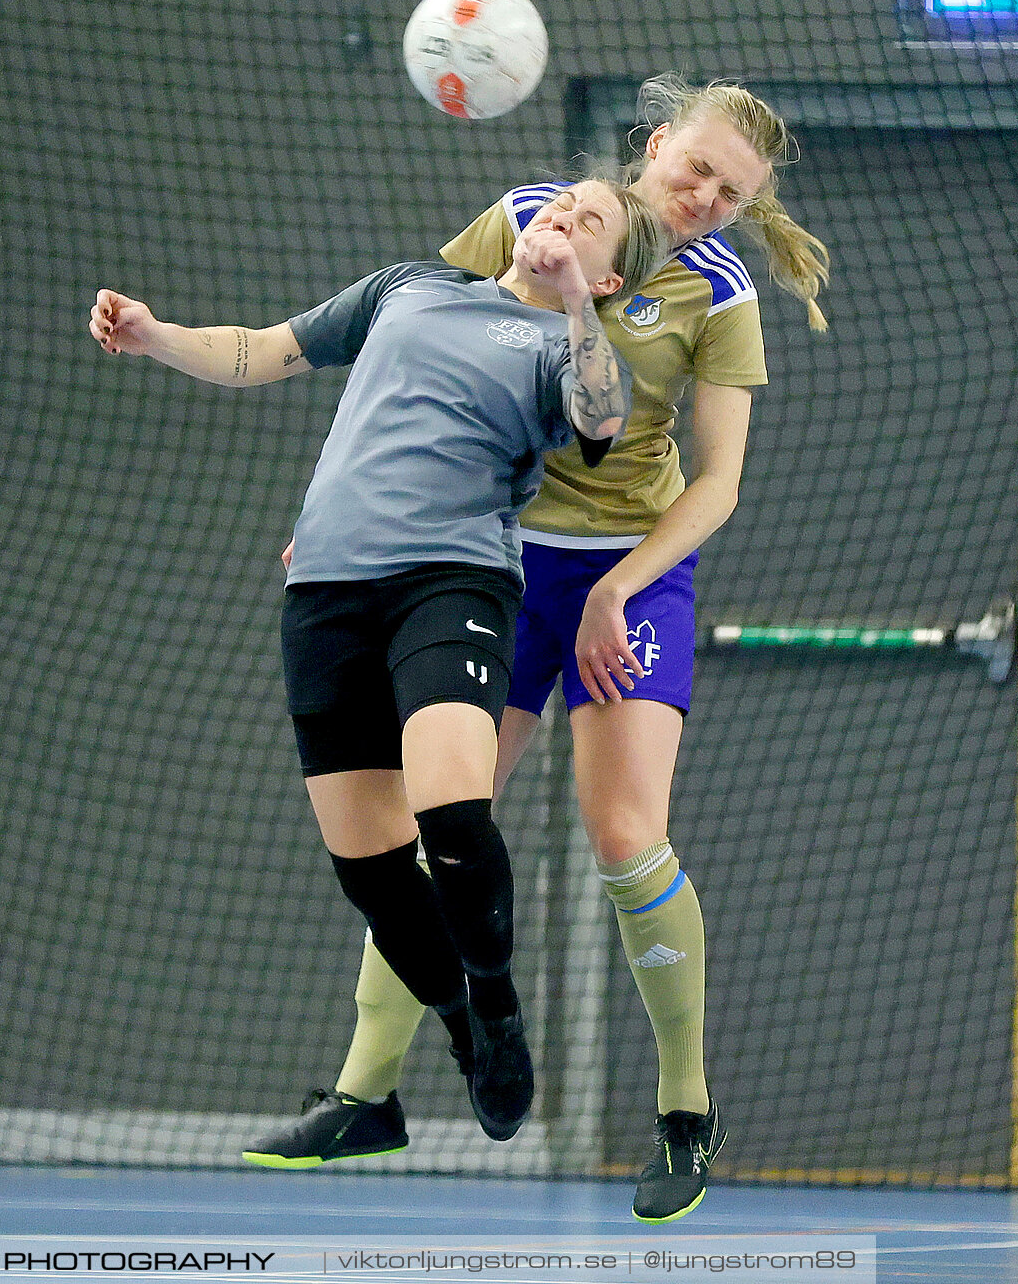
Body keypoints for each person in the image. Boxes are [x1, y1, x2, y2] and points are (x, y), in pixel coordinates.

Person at [241, 76, 831, 1226]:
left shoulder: (717, 291)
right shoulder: (533, 213)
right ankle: (368, 1097)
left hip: (631, 575)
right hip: (485, 561)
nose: (707, 194)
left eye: (734, 190)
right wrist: (352, 504)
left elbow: (718, 484)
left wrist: (618, 585)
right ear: (656, 147)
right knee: (428, 831)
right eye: (696, 166)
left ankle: (684, 1111)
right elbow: (408, 348)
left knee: (626, 834)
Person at [92, 177, 667, 1143]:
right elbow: (262, 351)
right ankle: (457, 1032)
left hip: (452, 580)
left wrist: (572, 302)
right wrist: (155, 334)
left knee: (449, 808)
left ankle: (498, 1007)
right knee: (372, 871)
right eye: (561, 203)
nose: (563, 217)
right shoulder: (409, 286)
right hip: (324, 592)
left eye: (591, 222)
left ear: (608, 278)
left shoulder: (568, 346)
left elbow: (602, 422)